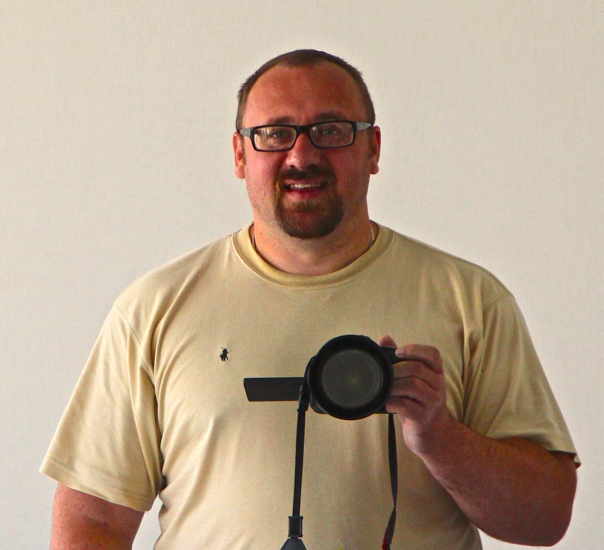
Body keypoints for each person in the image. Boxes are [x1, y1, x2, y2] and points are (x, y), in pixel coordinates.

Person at [42, 49, 578, 549]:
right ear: (239, 154)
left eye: (331, 131)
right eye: (274, 134)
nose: (302, 155)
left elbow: (545, 519)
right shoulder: (154, 310)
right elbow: (94, 518)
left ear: (373, 149)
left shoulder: (471, 301)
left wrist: (442, 439)